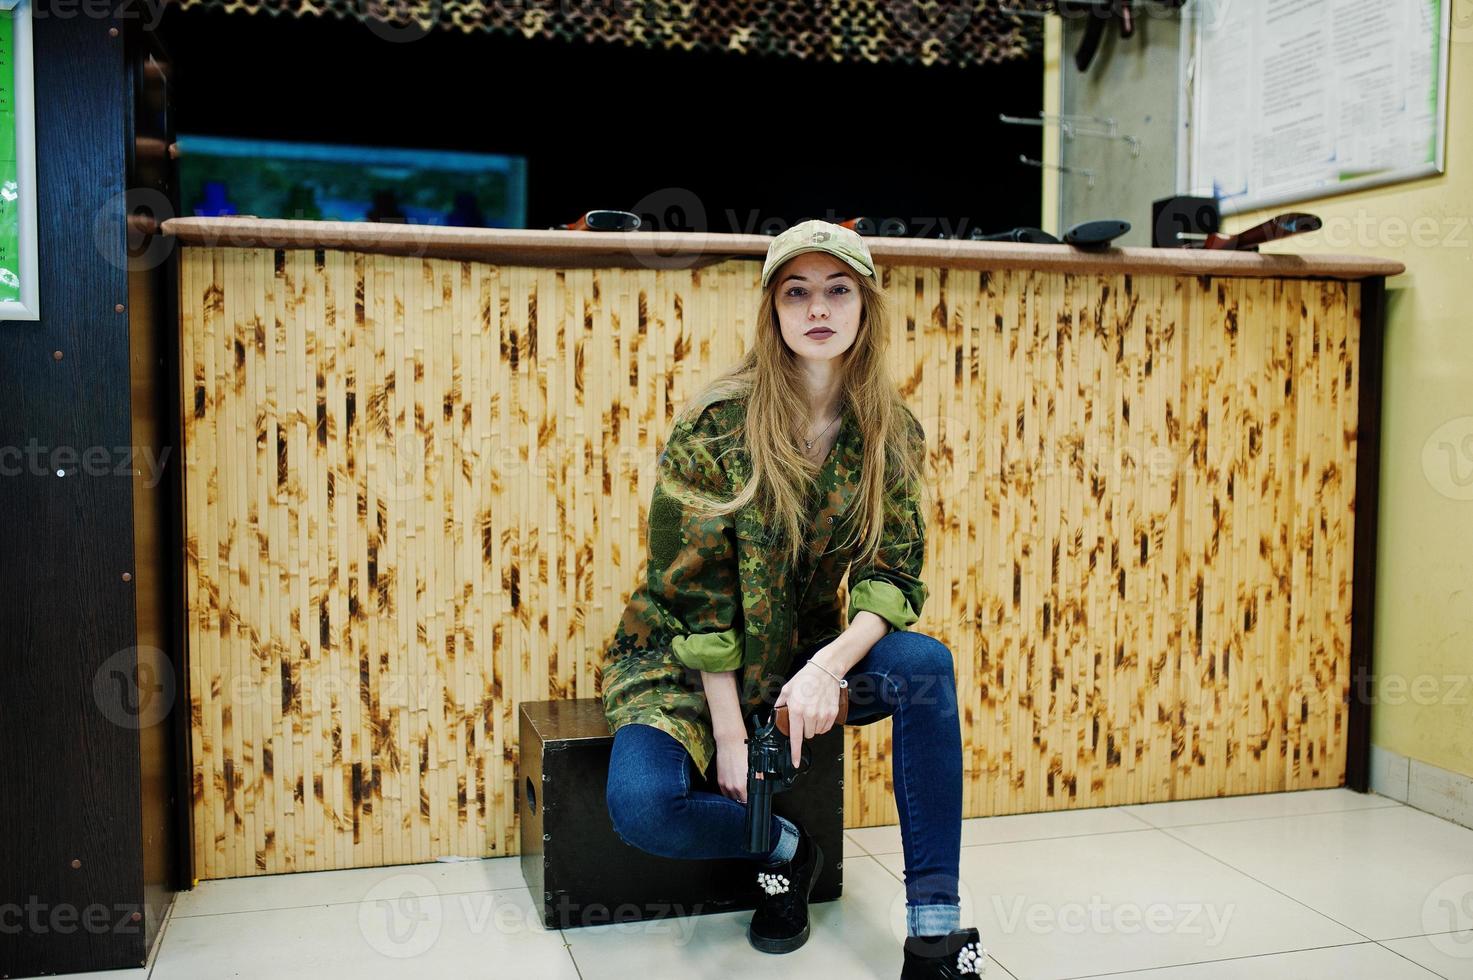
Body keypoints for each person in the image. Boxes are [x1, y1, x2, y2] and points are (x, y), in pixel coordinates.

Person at [600, 219, 988, 977]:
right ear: (772, 311)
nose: (818, 308)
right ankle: (787, 849)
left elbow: (892, 577)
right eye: (796, 291)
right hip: (684, 664)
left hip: (802, 655)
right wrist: (733, 737)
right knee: (643, 809)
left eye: (837, 290)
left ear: (864, 307)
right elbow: (697, 596)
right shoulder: (717, 426)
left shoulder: (889, 431)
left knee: (924, 666)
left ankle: (934, 938)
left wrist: (825, 668)